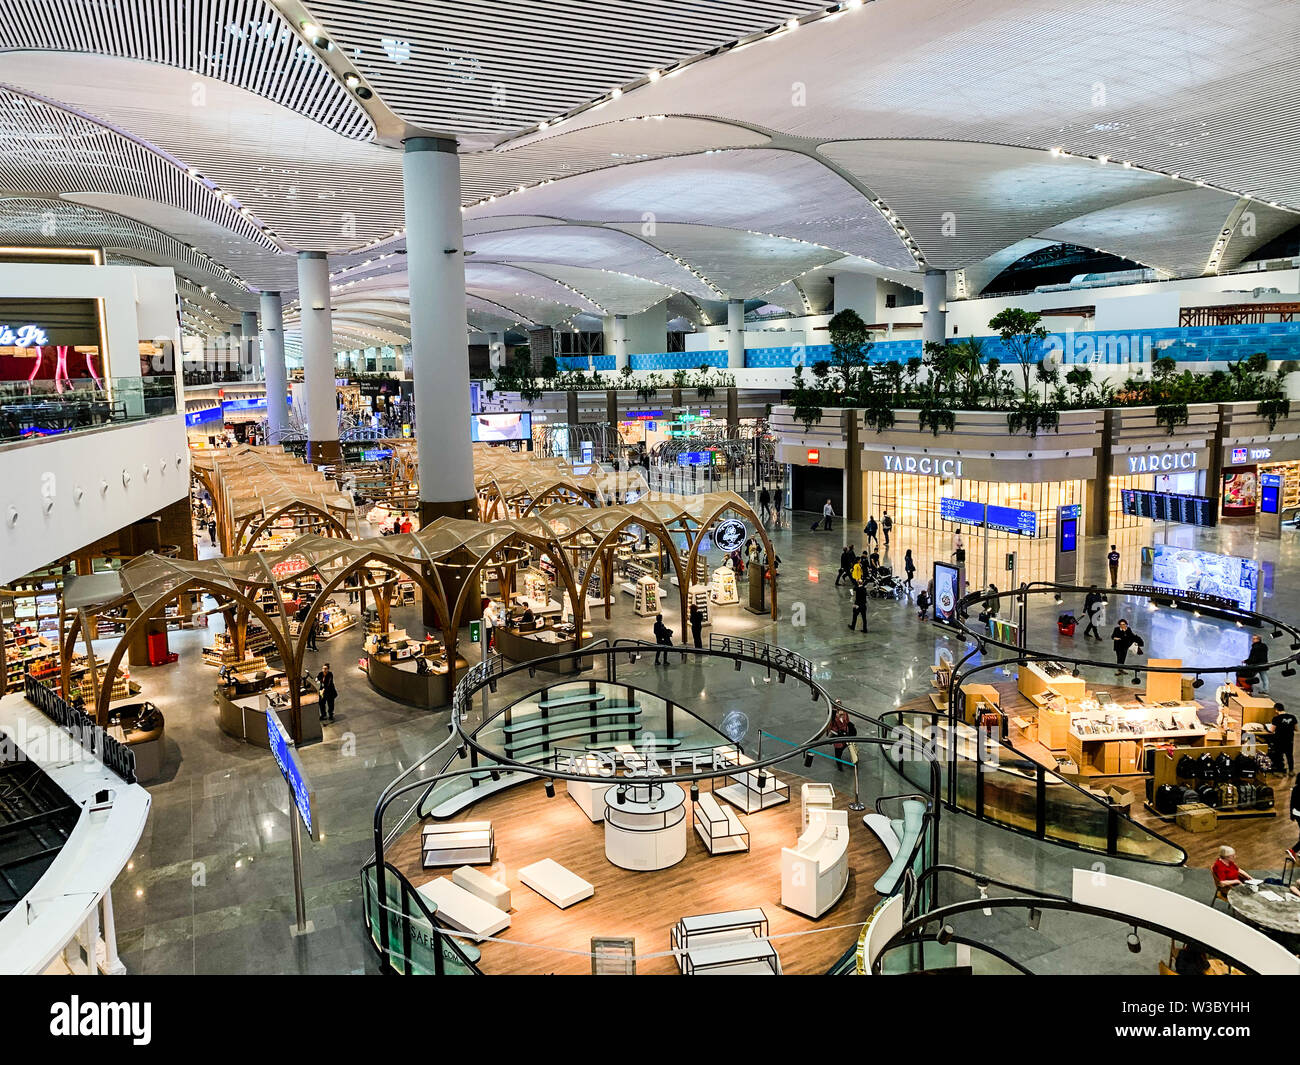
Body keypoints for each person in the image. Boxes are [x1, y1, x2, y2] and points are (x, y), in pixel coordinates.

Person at [1272, 704, 1296, 774]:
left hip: (1279, 740)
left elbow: (1272, 730)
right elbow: (1296, 728)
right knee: (1289, 755)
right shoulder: (1292, 717)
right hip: (1289, 740)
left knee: (1278, 755)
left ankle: (1279, 770)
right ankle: (1291, 771)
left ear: (1276, 710)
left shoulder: (1276, 718)